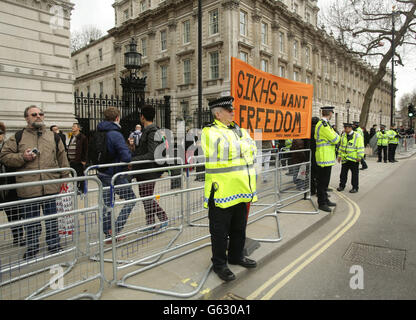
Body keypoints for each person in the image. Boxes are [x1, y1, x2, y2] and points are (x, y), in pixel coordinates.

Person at [0, 106, 69, 260]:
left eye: (40, 114)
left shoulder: (53, 136)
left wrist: (66, 179)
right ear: (27, 118)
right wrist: (22, 157)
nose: (38, 116)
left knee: (52, 219)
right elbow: (4, 156)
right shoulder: (18, 137)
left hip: (50, 186)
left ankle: (54, 245)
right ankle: (32, 248)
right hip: (28, 189)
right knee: (31, 222)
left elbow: (62, 158)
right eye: (34, 114)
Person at [201, 96, 257, 282]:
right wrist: (243, 148)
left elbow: (254, 149)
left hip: (242, 189)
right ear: (218, 113)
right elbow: (223, 151)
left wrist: (240, 148)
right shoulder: (210, 131)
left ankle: (236, 256)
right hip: (222, 191)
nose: (233, 112)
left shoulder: (239, 130)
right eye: (228, 110)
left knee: (239, 229)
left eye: (232, 109)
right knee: (219, 233)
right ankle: (220, 264)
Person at [96, 107, 136, 242]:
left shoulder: (98, 131)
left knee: (107, 203)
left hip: (101, 173)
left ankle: (108, 234)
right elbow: (126, 156)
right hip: (115, 174)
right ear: (117, 118)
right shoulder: (115, 134)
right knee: (131, 199)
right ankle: (116, 229)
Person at [132, 106, 168, 230]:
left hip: (149, 170)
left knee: (147, 197)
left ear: (142, 117)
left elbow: (152, 154)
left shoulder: (152, 132)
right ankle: (151, 223)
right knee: (145, 197)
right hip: (144, 169)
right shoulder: (149, 130)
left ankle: (163, 218)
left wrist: (133, 160)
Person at [0, 122, 25, 247]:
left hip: (9, 186)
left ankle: (18, 236)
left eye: (0, 133)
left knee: (14, 213)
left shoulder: (8, 146)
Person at [314, 106, 340, 212]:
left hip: (327, 157)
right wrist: (336, 136)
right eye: (332, 113)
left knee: (325, 182)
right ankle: (322, 203)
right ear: (329, 113)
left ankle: (325, 199)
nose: (332, 115)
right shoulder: (323, 125)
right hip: (323, 157)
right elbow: (335, 138)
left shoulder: (326, 125)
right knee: (322, 182)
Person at [336, 123, 365, 193]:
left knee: (354, 174)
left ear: (350, 128)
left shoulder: (358, 136)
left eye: (345, 128)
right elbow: (341, 147)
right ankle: (342, 186)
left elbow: (360, 147)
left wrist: (360, 157)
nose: (344, 129)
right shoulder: (343, 135)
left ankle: (355, 187)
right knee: (343, 174)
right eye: (344, 127)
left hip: (354, 159)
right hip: (345, 158)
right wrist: (339, 156)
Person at [67, 123, 88, 191]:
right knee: (74, 174)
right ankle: (76, 187)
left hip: (79, 160)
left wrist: (84, 160)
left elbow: (85, 149)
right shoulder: (72, 136)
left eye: (74, 126)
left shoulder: (83, 137)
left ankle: (81, 188)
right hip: (72, 160)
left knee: (80, 175)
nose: (72, 127)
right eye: (72, 126)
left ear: (78, 128)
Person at [309, 117, 320, 196]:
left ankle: (312, 190)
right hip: (316, 155)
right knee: (317, 174)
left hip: (309, 154)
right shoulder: (317, 131)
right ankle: (317, 190)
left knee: (311, 174)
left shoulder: (307, 131)